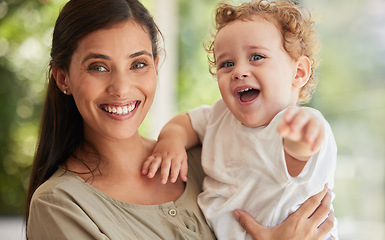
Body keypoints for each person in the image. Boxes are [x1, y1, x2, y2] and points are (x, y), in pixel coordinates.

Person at [25, 0, 335, 239]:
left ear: (156, 66)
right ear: (63, 77)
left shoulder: (205, 160)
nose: (121, 88)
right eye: (98, 66)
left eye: (138, 64)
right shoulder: (60, 206)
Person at [142, 0, 338, 239]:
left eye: (256, 57)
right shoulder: (220, 115)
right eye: (227, 63)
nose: (239, 71)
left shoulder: (297, 123)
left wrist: (302, 137)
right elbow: (185, 122)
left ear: (298, 73)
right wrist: (170, 142)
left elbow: (299, 153)